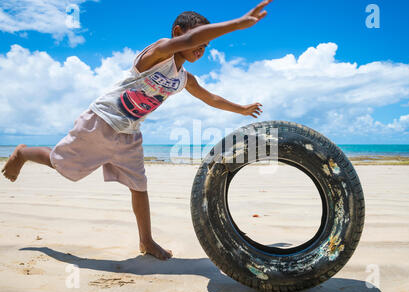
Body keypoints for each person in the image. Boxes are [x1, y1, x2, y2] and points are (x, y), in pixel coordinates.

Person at [1, 0, 272, 260]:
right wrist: (236, 23)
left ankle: (146, 240)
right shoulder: (159, 52)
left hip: (130, 134)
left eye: (206, 46)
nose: (201, 49)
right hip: (101, 121)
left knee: (139, 186)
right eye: (199, 41)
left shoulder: (184, 79)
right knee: (60, 165)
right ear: (178, 32)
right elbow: (188, 42)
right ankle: (23, 153)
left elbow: (210, 98)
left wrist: (242, 109)